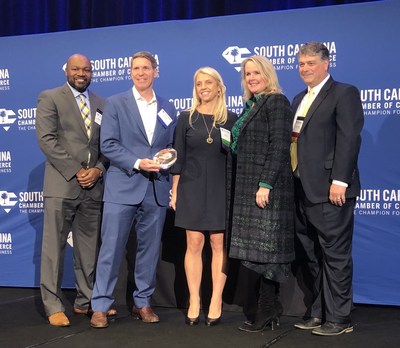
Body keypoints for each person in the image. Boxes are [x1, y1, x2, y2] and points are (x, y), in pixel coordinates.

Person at [90, 51, 177, 329]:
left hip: (156, 190)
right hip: (123, 186)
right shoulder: (114, 103)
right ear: (130, 72)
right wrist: (139, 162)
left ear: (156, 71)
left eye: (146, 68)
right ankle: (101, 305)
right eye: (136, 68)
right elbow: (109, 145)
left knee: (149, 251)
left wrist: (166, 157)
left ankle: (143, 302)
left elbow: (172, 145)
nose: (141, 73)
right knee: (111, 249)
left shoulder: (168, 107)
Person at [291, 42, 363, 336]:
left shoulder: (344, 93)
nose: (305, 68)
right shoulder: (298, 98)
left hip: (331, 190)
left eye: (310, 63)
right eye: (301, 64)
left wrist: (340, 181)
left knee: (335, 255)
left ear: (325, 64)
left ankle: (340, 318)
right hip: (301, 189)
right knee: (312, 255)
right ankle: (319, 311)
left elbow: (349, 139)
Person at [36, 53, 108, 326]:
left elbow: (106, 144)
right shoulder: (50, 97)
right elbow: (46, 140)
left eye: (87, 69)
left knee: (88, 250)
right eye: (76, 69)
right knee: (54, 249)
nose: (82, 73)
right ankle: (53, 305)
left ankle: (85, 300)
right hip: (62, 186)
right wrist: (77, 171)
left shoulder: (101, 103)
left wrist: (98, 169)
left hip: (94, 187)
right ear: (66, 70)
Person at [226, 55, 294, 333]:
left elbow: (279, 145)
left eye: (257, 73)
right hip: (248, 188)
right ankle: (270, 309)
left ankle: (267, 309)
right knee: (260, 252)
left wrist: (265, 184)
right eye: (247, 73)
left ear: (268, 74)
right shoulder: (250, 105)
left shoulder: (276, 101)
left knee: (268, 253)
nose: (252, 77)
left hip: (269, 189)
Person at [170, 67, 237, 326]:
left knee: (219, 244)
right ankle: (195, 300)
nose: (203, 87)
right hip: (191, 187)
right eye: (199, 83)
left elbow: (236, 157)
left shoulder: (231, 119)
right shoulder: (186, 118)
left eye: (208, 83)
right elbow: (179, 157)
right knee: (194, 244)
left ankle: (216, 300)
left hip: (221, 188)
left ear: (219, 87)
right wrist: (175, 190)